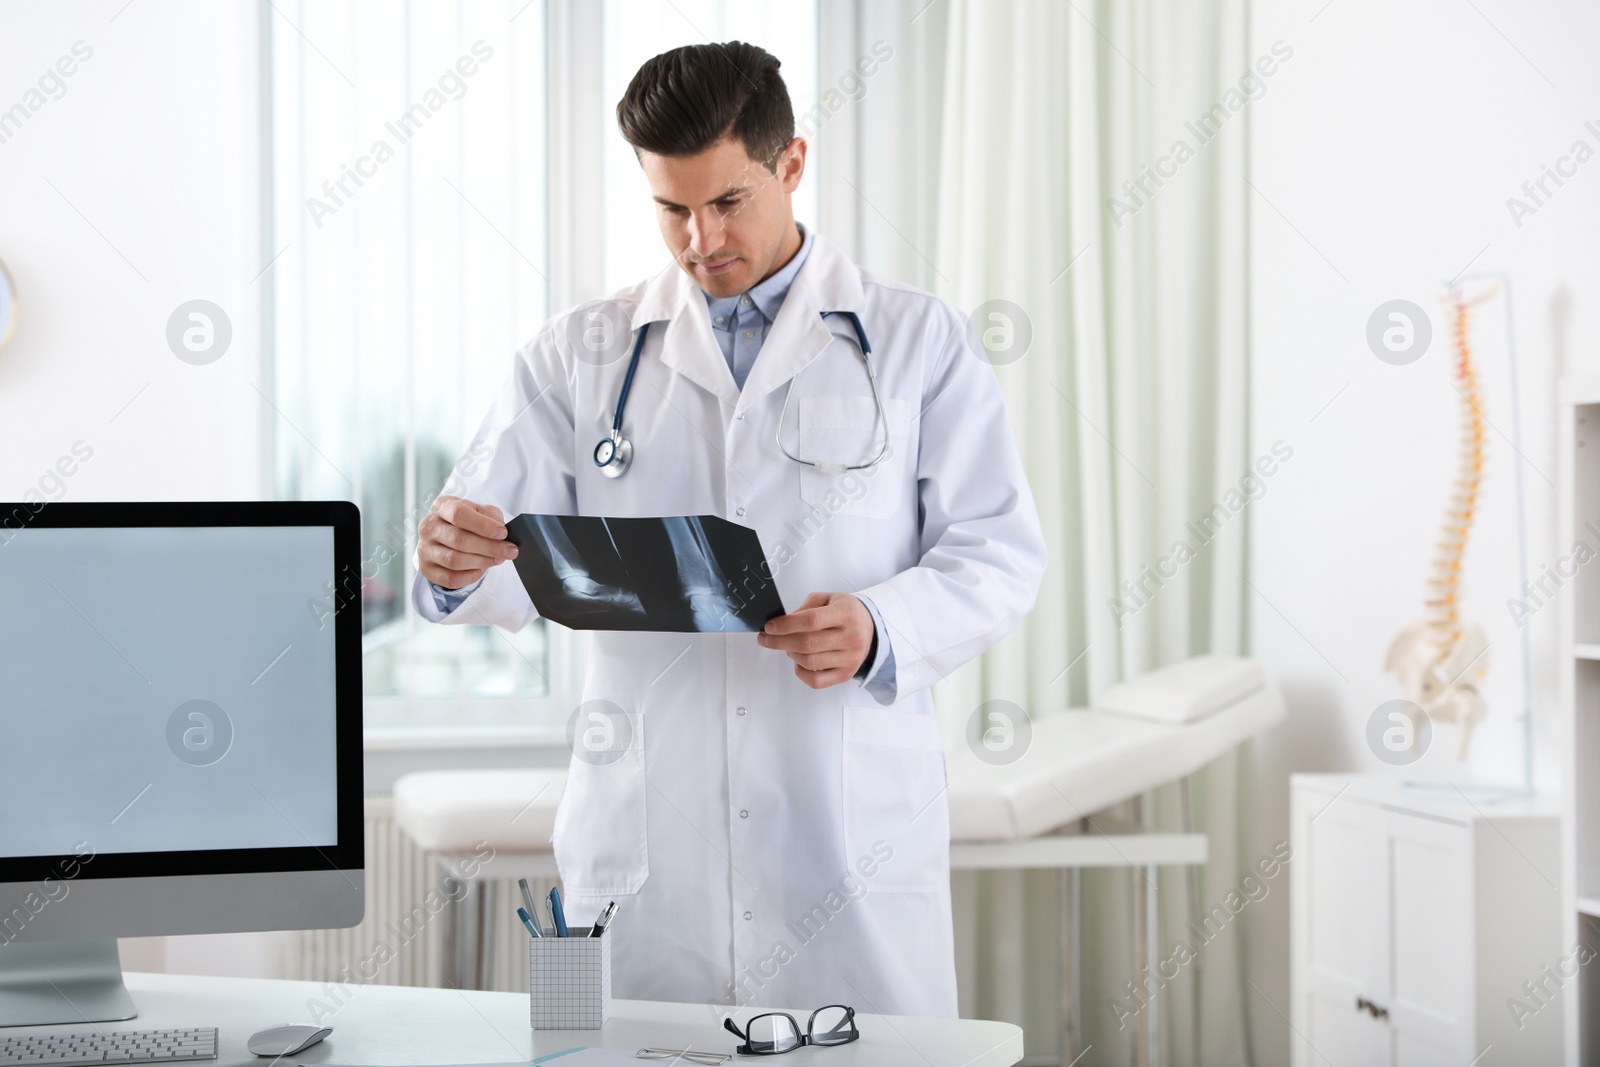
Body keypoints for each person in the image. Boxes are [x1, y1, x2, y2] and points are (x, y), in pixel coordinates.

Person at [413, 40, 1045, 1018]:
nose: (700, 240)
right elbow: (487, 551)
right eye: (671, 209)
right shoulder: (573, 355)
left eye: (727, 202)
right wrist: (452, 557)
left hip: (845, 848)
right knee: (604, 1043)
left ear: (790, 164)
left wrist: (882, 626)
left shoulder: (918, 339)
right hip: (642, 859)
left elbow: (999, 552)